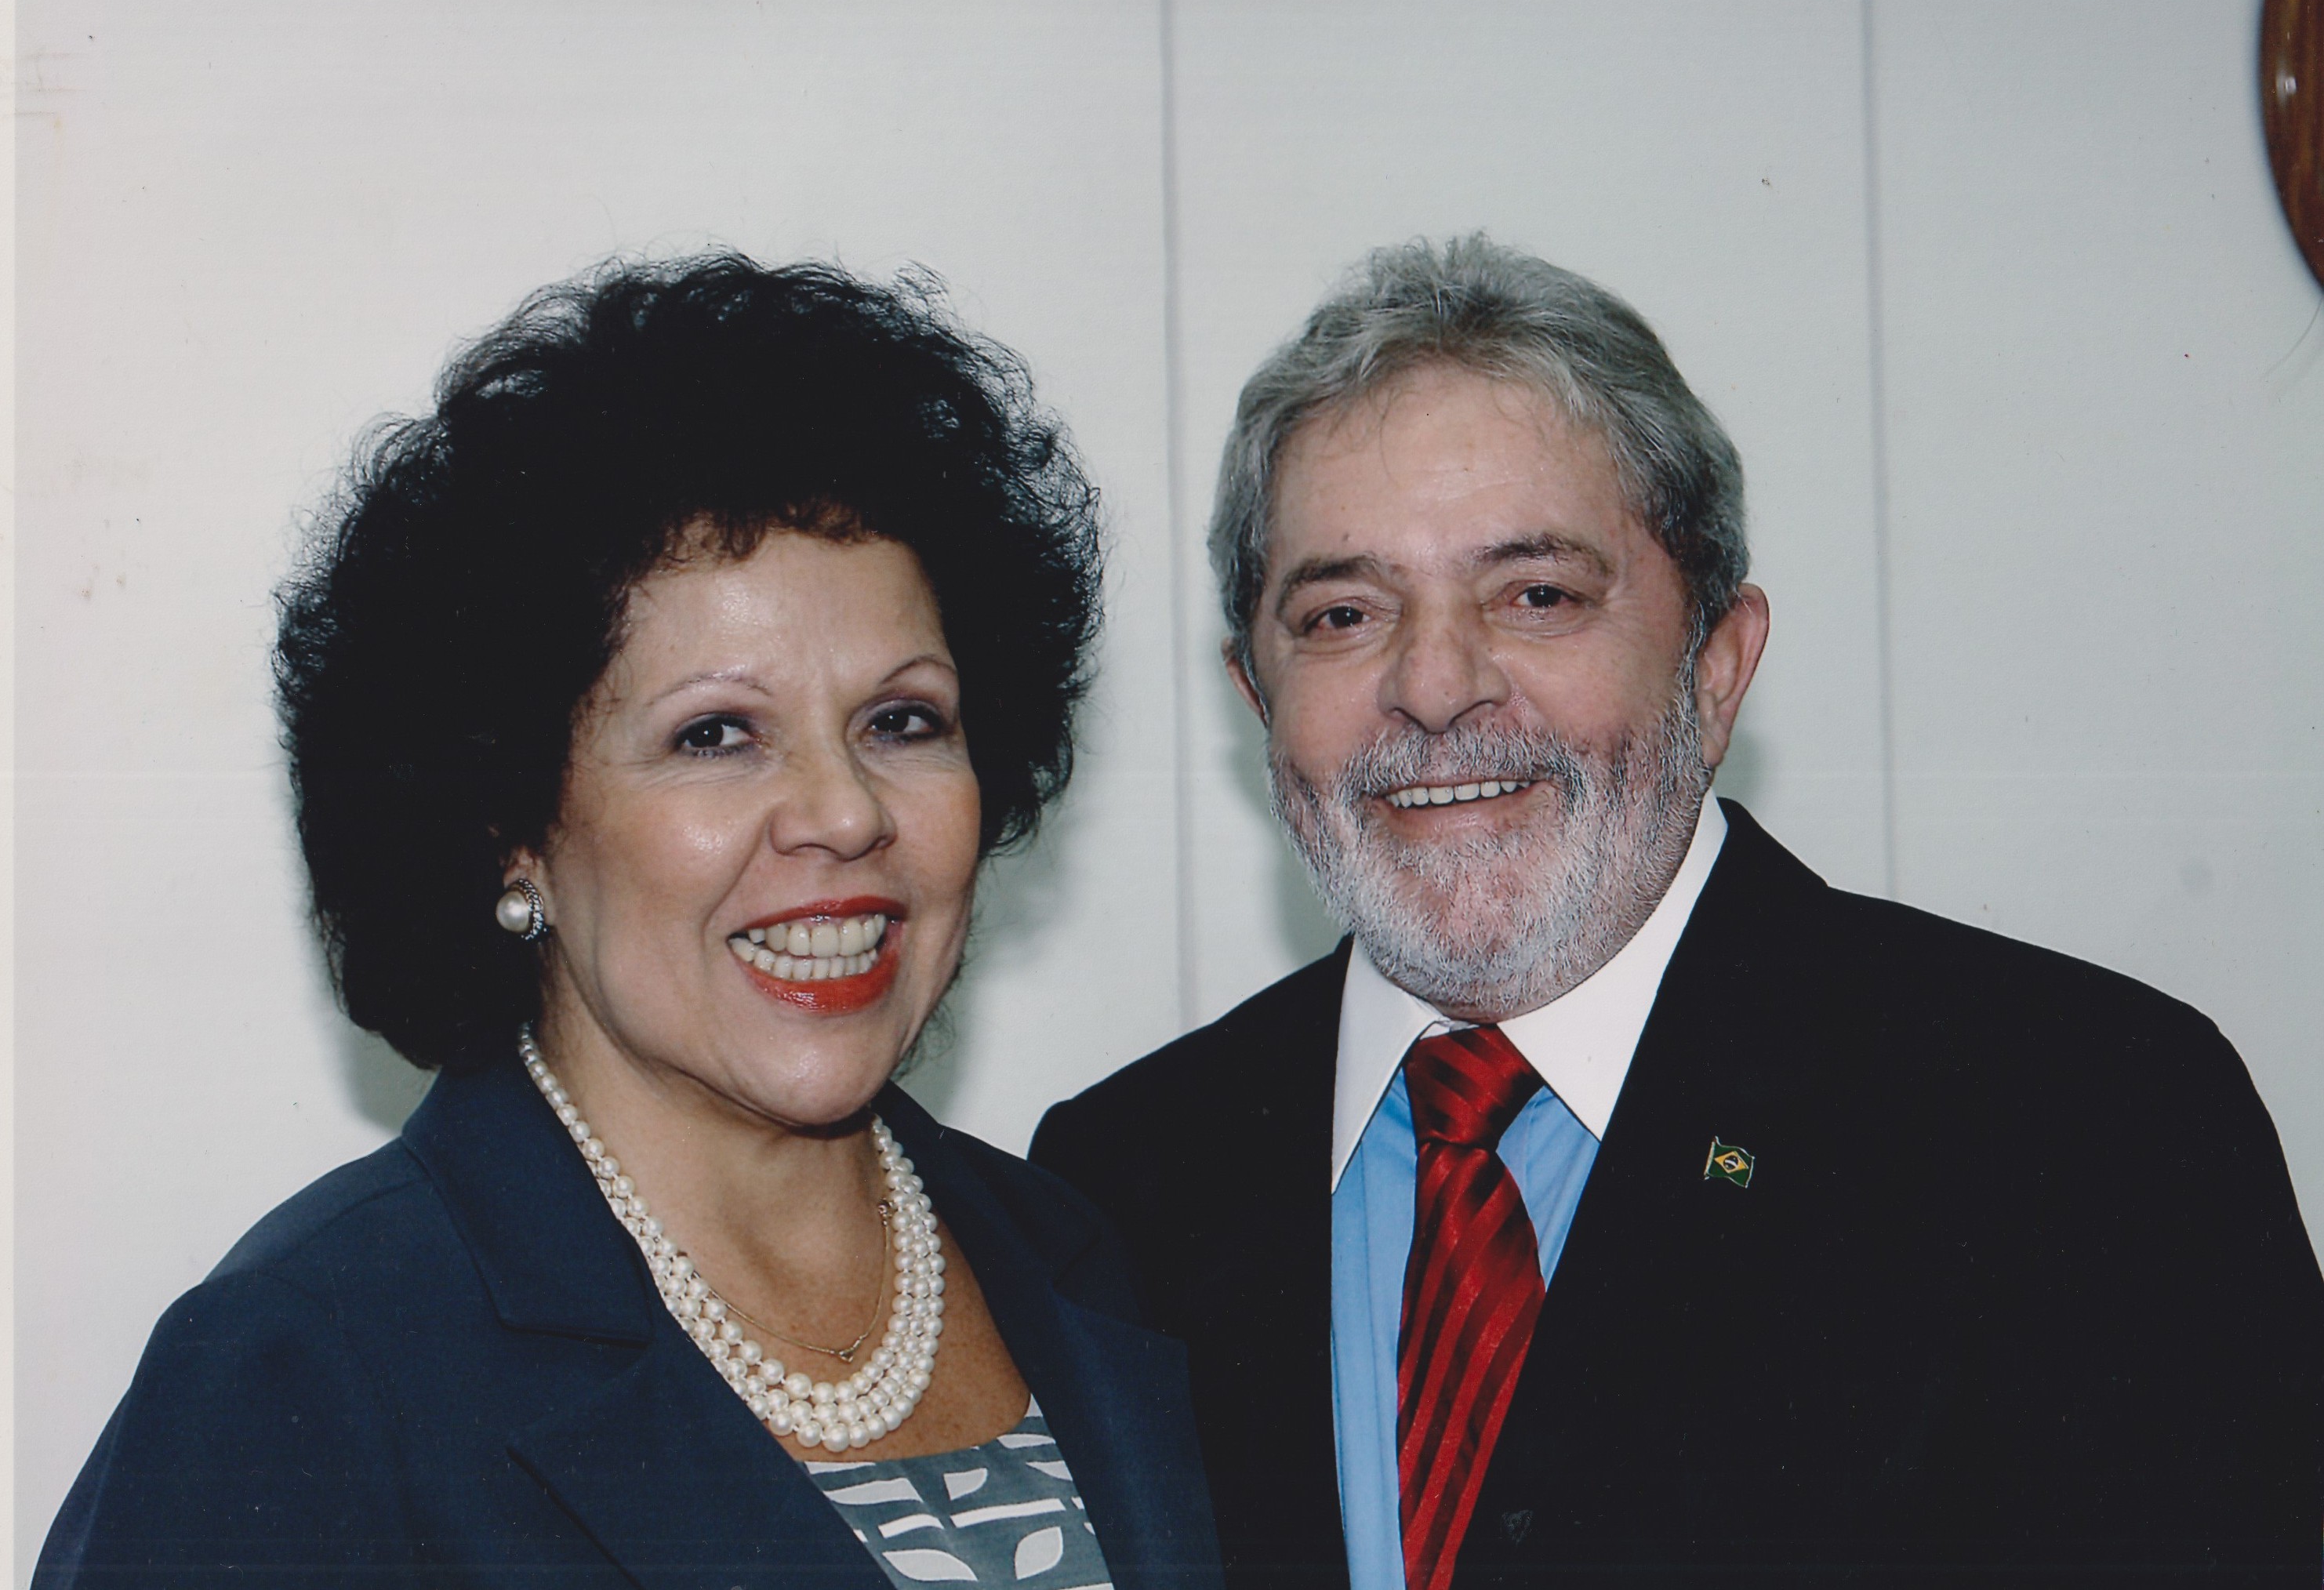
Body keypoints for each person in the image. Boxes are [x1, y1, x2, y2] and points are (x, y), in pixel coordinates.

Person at [1033, 235, 2324, 1588]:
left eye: (1535, 595)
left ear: (1718, 663)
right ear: (1257, 696)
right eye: (1344, 614)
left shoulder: (2089, 1129)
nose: (1431, 685)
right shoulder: (1118, 1193)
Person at [40, 254, 1222, 1590]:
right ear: (511, 820)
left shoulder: (1083, 1260)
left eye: (902, 722)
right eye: (717, 735)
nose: (842, 813)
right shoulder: (313, 1367)